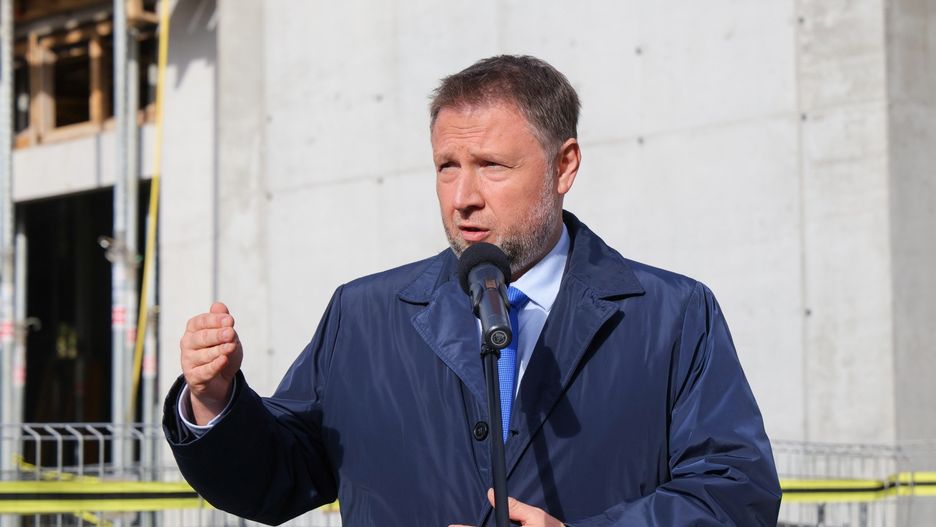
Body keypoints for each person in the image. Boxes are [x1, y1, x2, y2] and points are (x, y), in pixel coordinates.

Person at [163, 55, 781, 526]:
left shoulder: (673, 315)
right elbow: (278, 478)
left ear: (564, 166)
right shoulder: (363, 314)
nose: (463, 198)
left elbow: (734, 492)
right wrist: (216, 404)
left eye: (491, 165)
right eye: (446, 167)